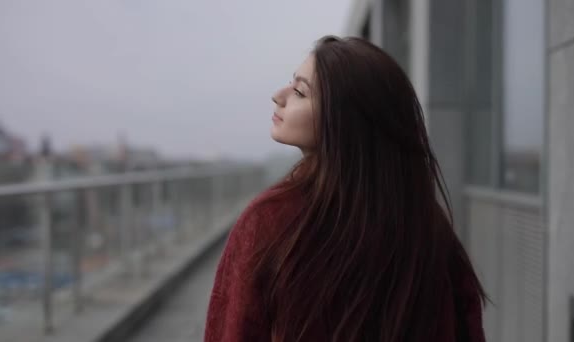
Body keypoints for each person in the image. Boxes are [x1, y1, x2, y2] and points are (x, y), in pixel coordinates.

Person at [204, 35, 486, 342]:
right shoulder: (427, 227)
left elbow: (231, 331)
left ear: (345, 119)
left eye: (300, 92)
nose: (278, 96)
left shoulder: (270, 222)